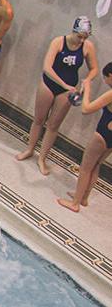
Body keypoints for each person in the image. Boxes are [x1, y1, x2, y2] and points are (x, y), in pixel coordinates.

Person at [18, 17, 99, 175]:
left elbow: (94, 68)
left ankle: (42, 158)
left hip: (67, 90)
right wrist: (64, 85)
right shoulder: (58, 42)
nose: (82, 40)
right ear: (73, 31)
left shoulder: (87, 46)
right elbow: (47, 67)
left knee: (53, 126)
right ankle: (29, 149)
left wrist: (87, 80)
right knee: (39, 120)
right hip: (49, 84)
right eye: (79, 36)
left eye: (85, 37)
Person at [57, 62, 112, 212]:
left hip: (102, 134)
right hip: (111, 137)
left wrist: (87, 88)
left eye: (105, 78)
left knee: (86, 168)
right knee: (96, 165)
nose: (105, 81)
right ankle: (84, 198)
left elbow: (86, 109)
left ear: (111, 76)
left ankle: (74, 203)